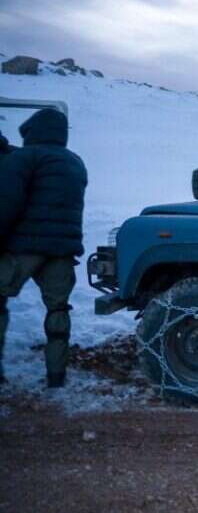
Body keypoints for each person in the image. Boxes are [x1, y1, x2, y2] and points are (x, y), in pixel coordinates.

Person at [0, 109, 88, 387]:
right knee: (58, 311)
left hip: (24, 248)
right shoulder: (74, 162)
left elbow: (6, 202)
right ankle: (56, 376)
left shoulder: (23, 159)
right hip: (62, 250)